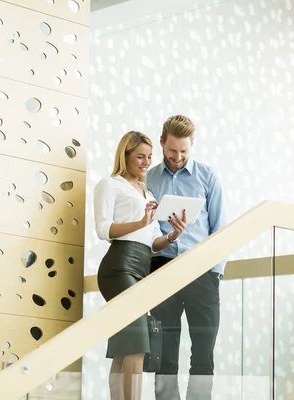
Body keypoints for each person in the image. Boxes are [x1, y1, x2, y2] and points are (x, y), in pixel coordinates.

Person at [94, 131, 187, 400]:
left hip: (141, 267)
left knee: (124, 347)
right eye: (140, 157)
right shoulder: (110, 185)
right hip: (119, 267)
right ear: (125, 156)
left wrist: (172, 235)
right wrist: (140, 223)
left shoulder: (147, 191)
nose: (146, 162)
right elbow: (102, 229)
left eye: (149, 157)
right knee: (136, 345)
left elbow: (151, 241)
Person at [146, 115, 227, 400]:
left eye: (184, 151)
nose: (177, 157)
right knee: (164, 357)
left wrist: (215, 271)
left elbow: (220, 229)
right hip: (161, 267)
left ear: (192, 146)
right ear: (161, 144)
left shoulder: (208, 176)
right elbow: (144, 229)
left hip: (202, 271)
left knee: (203, 355)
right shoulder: (149, 178)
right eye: (171, 151)